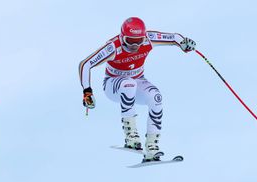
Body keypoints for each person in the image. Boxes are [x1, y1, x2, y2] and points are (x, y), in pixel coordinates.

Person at [79, 17, 196, 162]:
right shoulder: (113, 47)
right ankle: (131, 136)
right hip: (113, 85)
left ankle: (152, 146)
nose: (135, 45)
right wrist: (87, 91)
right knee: (129, 84)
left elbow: (174, 37)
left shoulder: (149, 38)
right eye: (130, 41)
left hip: (138, 79)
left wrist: (183, 43)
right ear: (122, 37)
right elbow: (85, 64)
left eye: (139, 41)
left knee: (156, 96)